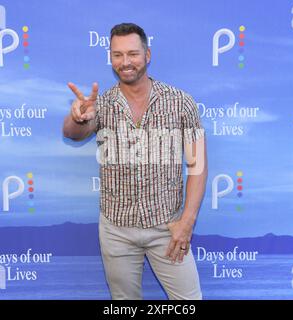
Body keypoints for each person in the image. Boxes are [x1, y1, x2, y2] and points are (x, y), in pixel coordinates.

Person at [63, 22, 207, 300]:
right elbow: (72, 133)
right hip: (117, 232)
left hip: (168, 228)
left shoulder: (181, 102)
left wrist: (186, 222)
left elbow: (197, 166)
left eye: (132, 54)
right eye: (117, 55)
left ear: (147, 55)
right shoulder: (101, 105)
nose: (125, 62)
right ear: (110, 58)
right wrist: (77, 117)